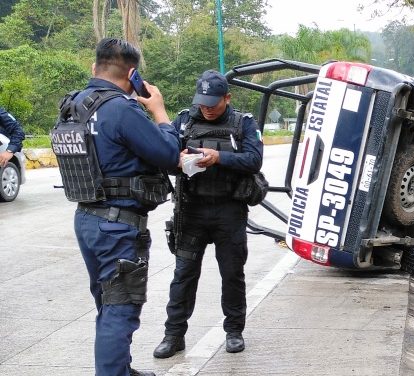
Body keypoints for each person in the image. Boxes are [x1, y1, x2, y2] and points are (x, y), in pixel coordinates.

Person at [54, 38, 180, 376]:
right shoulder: (122, 109)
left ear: (95, 68)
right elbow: (169, 155)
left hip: (87, 218)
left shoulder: (75, 105)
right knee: (121, 308)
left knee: (107, 303)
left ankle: (120, 369)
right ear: (133, 74)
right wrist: (160, 111)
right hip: (119, 225)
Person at [153, 70, 263, 358]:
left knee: (232, 274)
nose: (207, 108)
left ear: (228, 98)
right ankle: (173, 335)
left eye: (213, 103)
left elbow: (254, 160)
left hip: (230, 210)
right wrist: (177, 160)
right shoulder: (184, 121)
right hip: (192, 210)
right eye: (203, 103)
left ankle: (234, 331)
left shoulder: (244, 123)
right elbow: (164, 157)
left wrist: (219, 158)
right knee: (183, 275)